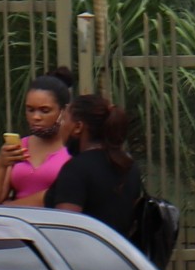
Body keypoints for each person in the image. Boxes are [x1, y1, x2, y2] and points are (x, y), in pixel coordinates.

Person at [44, 93, 146, 235]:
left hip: (86, 256)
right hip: (121, 254)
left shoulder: (75, 170)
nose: (60, 126)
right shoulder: (129, 167)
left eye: (64, 120)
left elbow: (67, 231)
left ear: (78, 127)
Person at [0, 71, 74, 206]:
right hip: (18, 226)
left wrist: (11, 207)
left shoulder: (73, 149)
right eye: (30, 110)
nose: (36, 117)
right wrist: (1, 164)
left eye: (45, 111)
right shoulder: (19, 147)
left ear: (64, 111)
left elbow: (60, 196)